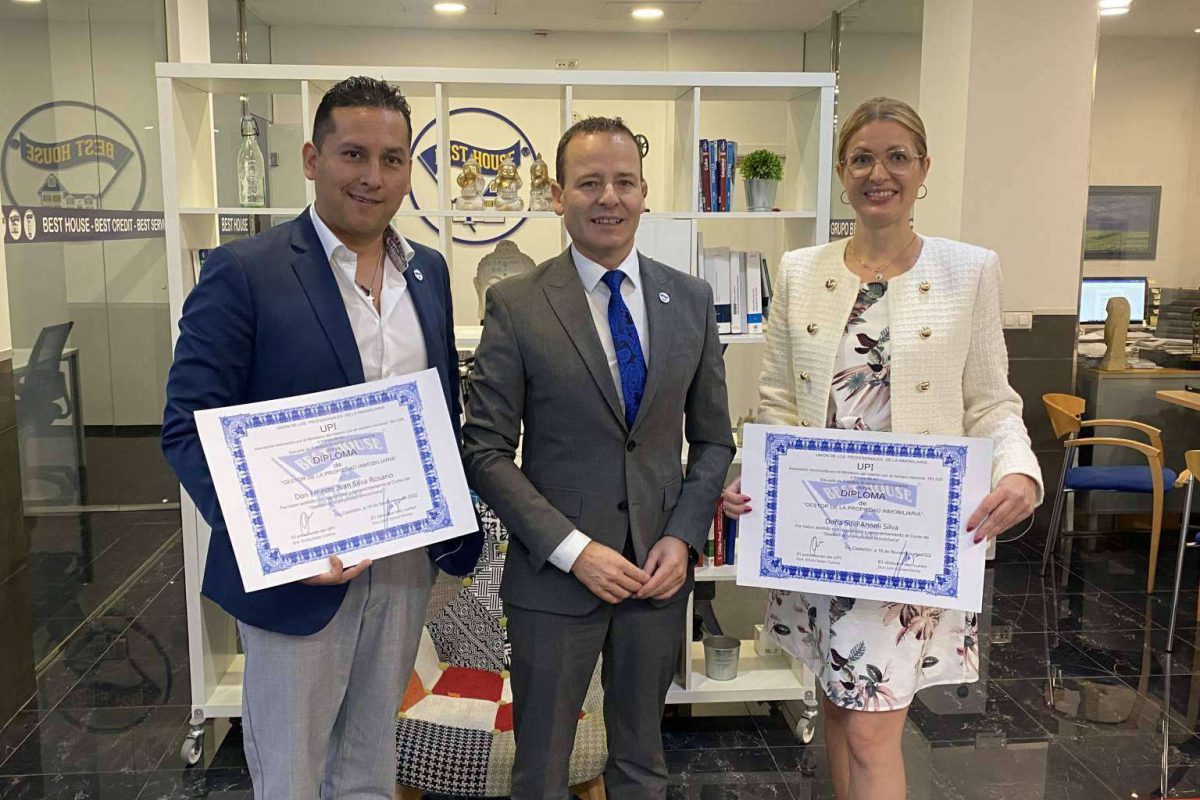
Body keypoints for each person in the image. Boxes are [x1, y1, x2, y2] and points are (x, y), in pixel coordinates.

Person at [162, 76, 479, 799]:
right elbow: (187, 427)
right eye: (353, 154)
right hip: (299, 576)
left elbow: (439, 410)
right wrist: (276, 541)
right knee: (292, 775)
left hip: (403, 562)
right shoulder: (244, 271)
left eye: (392, 159)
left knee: (370, 764)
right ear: (312, 159)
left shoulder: (427, 272)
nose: (374, 177)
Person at [722, 97, 1042, 800]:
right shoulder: (800, 271)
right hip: (819, 534)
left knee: (870, 728)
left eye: (897, 157)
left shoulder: (969, 270)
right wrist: (754, 475)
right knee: (838, 708)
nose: (879, 173)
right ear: (842, 172)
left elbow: (992, 400)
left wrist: (1019, 471)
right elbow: (778, 401)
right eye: (862, 158)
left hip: (909, 540)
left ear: (923, 168)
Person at [462, 116, 735, 799]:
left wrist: (683, 537)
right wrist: (573, 550)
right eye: (589, 183)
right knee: (541, 771)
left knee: (642, 764)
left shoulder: (691, 299)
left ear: (644, 193)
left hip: (656, 576)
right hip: (554, 583)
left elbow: (713, 440)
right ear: (558, 196)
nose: (608, 197)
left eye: (623, 182)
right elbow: (485, 450)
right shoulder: (517, 304)